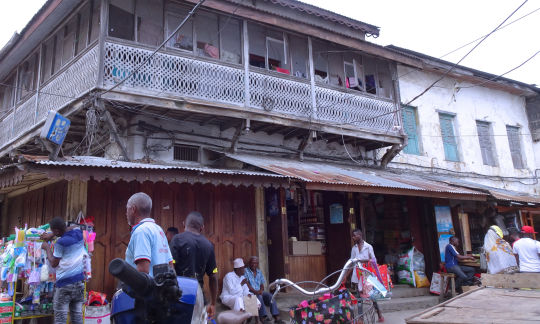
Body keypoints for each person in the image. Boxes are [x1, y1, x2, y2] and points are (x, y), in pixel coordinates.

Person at [170, 211, 218, 318]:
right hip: (199, 296)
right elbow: (213, 276)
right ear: (202, 228)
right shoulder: (209, 246)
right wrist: (213, 303)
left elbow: (170, 267)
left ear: (183, 224)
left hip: (179, 295)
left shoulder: (177, 240)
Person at [40, 217, 86, 324]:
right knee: (77, 316)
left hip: (65, 285)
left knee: (61, 318)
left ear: (56, 231)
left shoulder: (60, 243)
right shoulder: (78, 233)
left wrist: (46, 247)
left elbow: (53, 263)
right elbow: (74, 226)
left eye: (52, 230)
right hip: (79, 283)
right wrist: (52, 234)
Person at [125, 192, 173, 276]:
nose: (126, 213)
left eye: (127, 209)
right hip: (161, 286)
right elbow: (170, 265)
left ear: (133, 209)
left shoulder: (141, 231)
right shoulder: (158, 229)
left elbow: (143, 270)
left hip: (145, 288)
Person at [344, 229, 384, 323]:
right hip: (357, 275)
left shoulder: (368, 247)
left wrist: (362, 261)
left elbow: (374, 260)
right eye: (352, 236)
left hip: (367, 275)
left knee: (372, 296)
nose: (353, 238)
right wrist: (346, 275)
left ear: (360, 235)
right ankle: (361, 319)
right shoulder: (354, 249)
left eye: (354, 236)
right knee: (359, 297)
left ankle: (379, 315)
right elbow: (352, 263)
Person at [244, 256, 284, 324]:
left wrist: (261, 290)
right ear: (249, 263)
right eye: (252, 263)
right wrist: (256, 292)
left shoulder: (259, 272)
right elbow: (247, 285)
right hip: (250, 293)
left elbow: (262, 284)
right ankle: (263, 318)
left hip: (258, 291)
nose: (254, 265)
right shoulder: (245, 271)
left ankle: (276, 317)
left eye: (255, 263)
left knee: (270, 296)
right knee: (259, 297)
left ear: (257, 264)